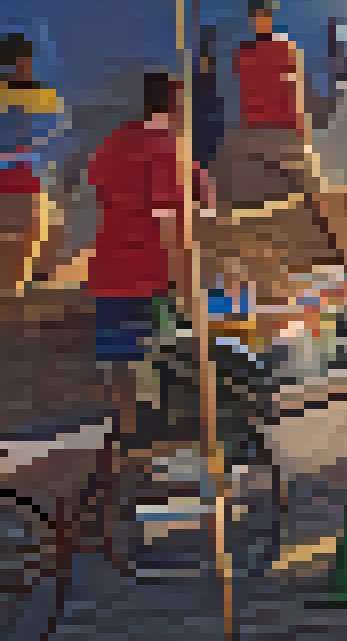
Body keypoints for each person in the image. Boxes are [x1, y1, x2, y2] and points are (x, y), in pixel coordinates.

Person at [86, 73, 213, 471]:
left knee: (122, 364)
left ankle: (129, 449)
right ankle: (159, 463)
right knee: (163, 371)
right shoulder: (169, 150)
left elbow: (97, 188)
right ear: (175, 105)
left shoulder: (114, 142)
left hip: (110, 272)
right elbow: (179, 220)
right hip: (152, 280)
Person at [215, 0, 340, 267]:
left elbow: (293, 94)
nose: (262, 19)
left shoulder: (278, 49)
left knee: (306, 201)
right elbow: (285, 92)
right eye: (259, 15)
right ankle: (305, 262)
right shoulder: (254, 52)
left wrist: (302, 135)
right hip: (264, 132)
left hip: (282, 131)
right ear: (253, 18)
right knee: (275, 204)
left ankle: (327, 260)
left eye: (265, 14)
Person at [0, 33, 69, 290]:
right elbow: (54, 134)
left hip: (27, 177)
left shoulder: (41, 97)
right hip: (22, 179)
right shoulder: (40, 97)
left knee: (28, 237)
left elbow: (54, 134)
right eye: (24, 61)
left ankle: (16, 286)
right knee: (26, 237)